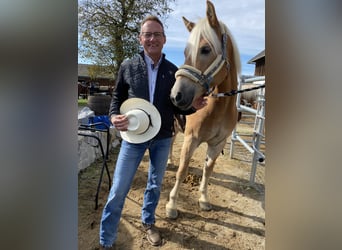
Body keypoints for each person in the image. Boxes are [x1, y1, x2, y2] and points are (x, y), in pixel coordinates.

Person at [99, 15, 206, 249]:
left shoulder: (173, 71)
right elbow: (117, 98)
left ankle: (148, 222)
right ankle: (106, 239)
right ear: (140, 39)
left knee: (155, 185)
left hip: (162, 137)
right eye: (147, 34)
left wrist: (191, 107)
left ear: (164, 39)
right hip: (134, 136)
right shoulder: (128, 66)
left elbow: (176, 107)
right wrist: (113, 116)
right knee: (118, 189)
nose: (152, 39)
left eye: (157, 34)